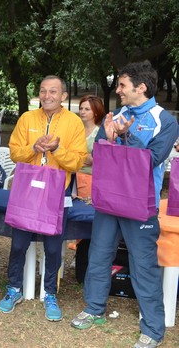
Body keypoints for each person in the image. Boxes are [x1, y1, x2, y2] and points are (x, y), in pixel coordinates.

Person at [71, 61, 179, 348]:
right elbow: (101, 154)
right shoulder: (119, 114)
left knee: (143, 265)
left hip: (139, 204)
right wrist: (108, 138)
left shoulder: (164, 121)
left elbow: (150, 161)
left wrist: (125, 136)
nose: (117, 90)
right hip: (109, 200)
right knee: (99, 255)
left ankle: (153, 330)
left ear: (140, 88)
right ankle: (94, 309)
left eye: (122, 85)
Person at [0, 75, 86, 321]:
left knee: (53, 247)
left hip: (57, 192)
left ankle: (49, 293)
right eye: (43, 91)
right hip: (27, 190)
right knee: (18, 244)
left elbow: (78, 161)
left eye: (53, 92)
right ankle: (13, 289)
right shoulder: (27, 118)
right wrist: (33, 148)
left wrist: (57, 149)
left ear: (64, 96)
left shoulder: (74, 123)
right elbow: (15, 152)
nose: (47, 96)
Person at [73, 95, 105, 283]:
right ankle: (80, 260)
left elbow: (95, 160)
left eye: (86, 109)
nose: (82, 112)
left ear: (95, 111)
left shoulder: (100, 133)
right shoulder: (76, 130)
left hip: (91, 180)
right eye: (81, 108)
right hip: (72, 178)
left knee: (86, 222)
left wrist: (74, 156)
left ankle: (84, 263)